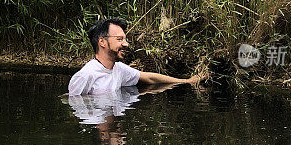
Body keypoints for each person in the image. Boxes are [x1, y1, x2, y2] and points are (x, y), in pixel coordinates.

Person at [67, 17, 200, 96]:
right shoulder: (86, 75)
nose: (126, 44)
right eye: (119, 39)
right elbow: (73, 103)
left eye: (125, 39)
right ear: (102, 42)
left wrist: (186, 81)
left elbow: (149, 77)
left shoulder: (119, 69)